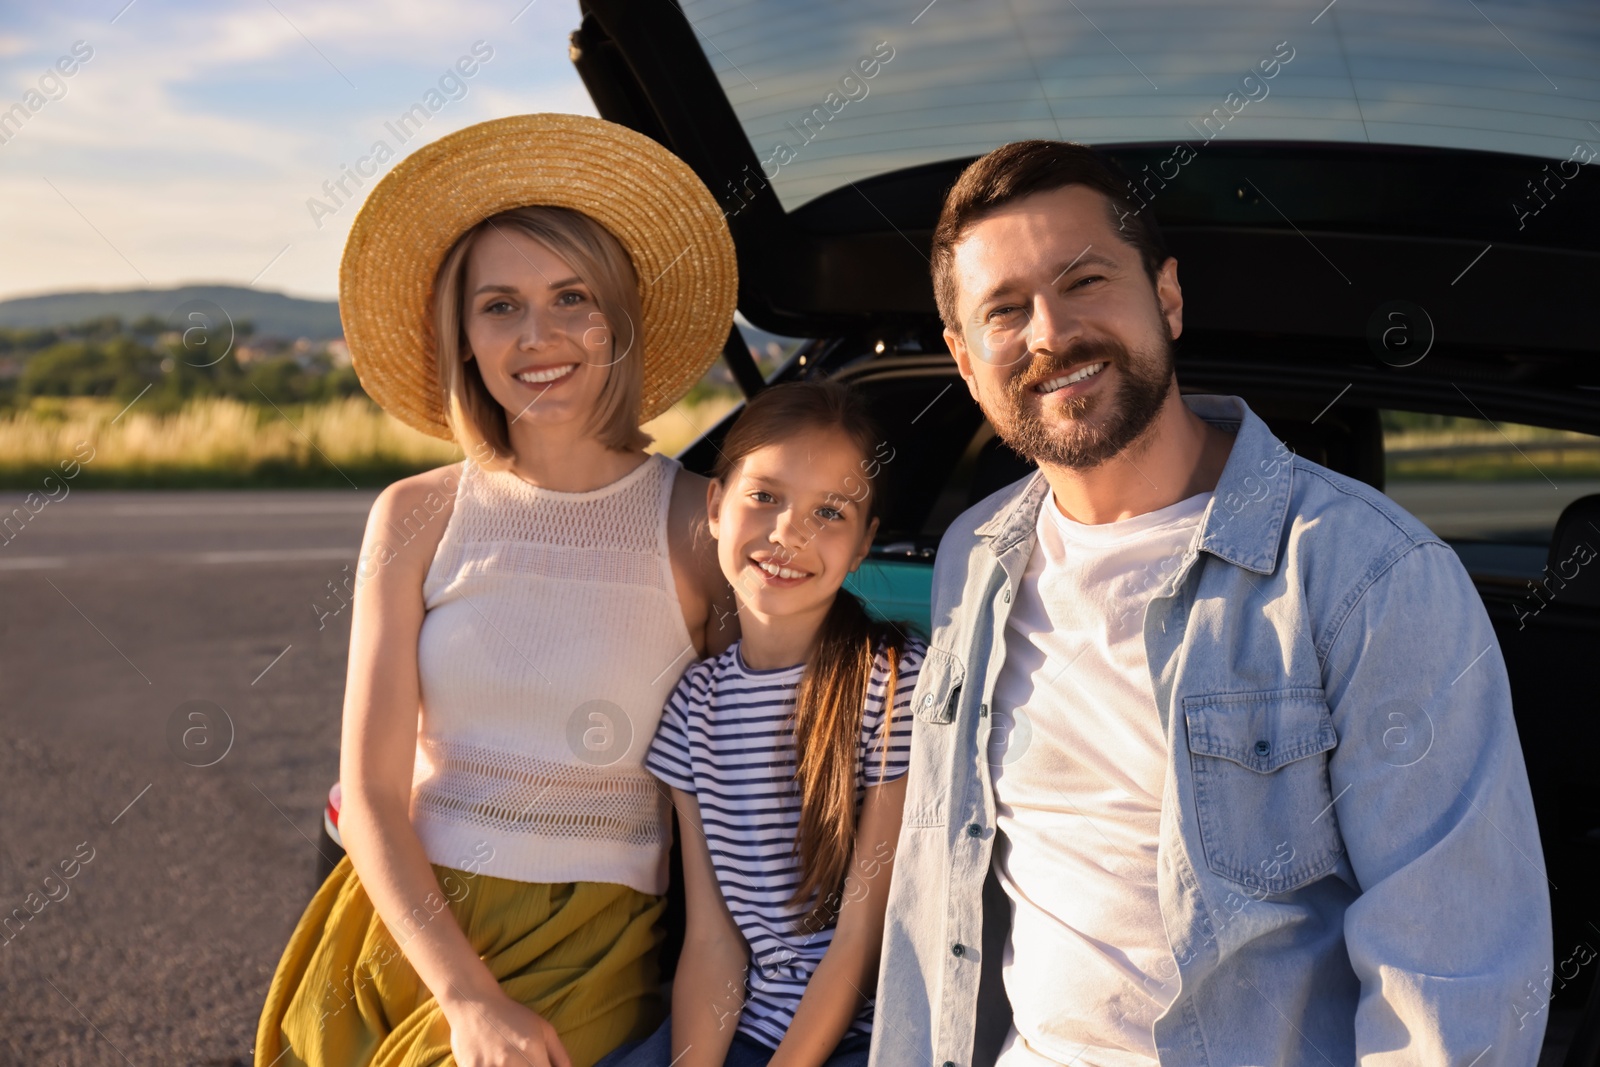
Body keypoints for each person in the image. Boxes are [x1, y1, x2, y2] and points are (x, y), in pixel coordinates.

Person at [870, 140, 1552, 1067]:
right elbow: (934, 894)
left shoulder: (1370, 576)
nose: (1049, 334)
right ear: (963, 357)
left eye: (1085, 280)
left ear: (1169, 296)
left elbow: (1451, 987)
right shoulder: (973, 557)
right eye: (1005, 310)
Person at [255, 113, 739, 1067]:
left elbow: (727, 792)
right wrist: (467, 996)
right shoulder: (415, 515)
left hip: (595, 940)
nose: (538, 336)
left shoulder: (698, 519)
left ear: (620, 318)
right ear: (463, 335)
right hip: (407, 930)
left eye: (572, 298)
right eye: (500, 306)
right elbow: (371, 791)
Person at [605, 381, 925, 1067]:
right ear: (716, 505)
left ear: (865, 543)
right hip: (745, 1029)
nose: (788, 534)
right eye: (765, 496)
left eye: (830, 512)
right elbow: (714, 942)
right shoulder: (693, 706)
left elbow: (862, 944)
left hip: (864, 1041)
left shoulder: (894, 683)